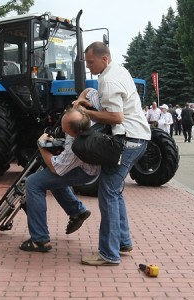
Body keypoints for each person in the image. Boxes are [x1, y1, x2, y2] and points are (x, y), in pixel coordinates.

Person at [73, 41, 151, 266]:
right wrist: (88, 100)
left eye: (91, 62)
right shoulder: (118, 70)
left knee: (107, 193)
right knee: (114, 192)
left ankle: (108, 253)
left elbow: (116, 118)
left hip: (128, 140)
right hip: (138, 138)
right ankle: (123, 241)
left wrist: (86, 112)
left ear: (103, 59)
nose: (88, 67)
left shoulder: (109, 78)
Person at [19, 108, 100, 252]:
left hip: (84, 172)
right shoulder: (89, 121)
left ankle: (39, 240)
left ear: (76, 132)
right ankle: (77, 211)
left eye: (66, 131)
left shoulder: (75, 148)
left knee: (34, 183)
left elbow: (55, 168)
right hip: (90, 167)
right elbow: (90, 93)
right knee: (51, 181)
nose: (63, 130)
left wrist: (41, 145)